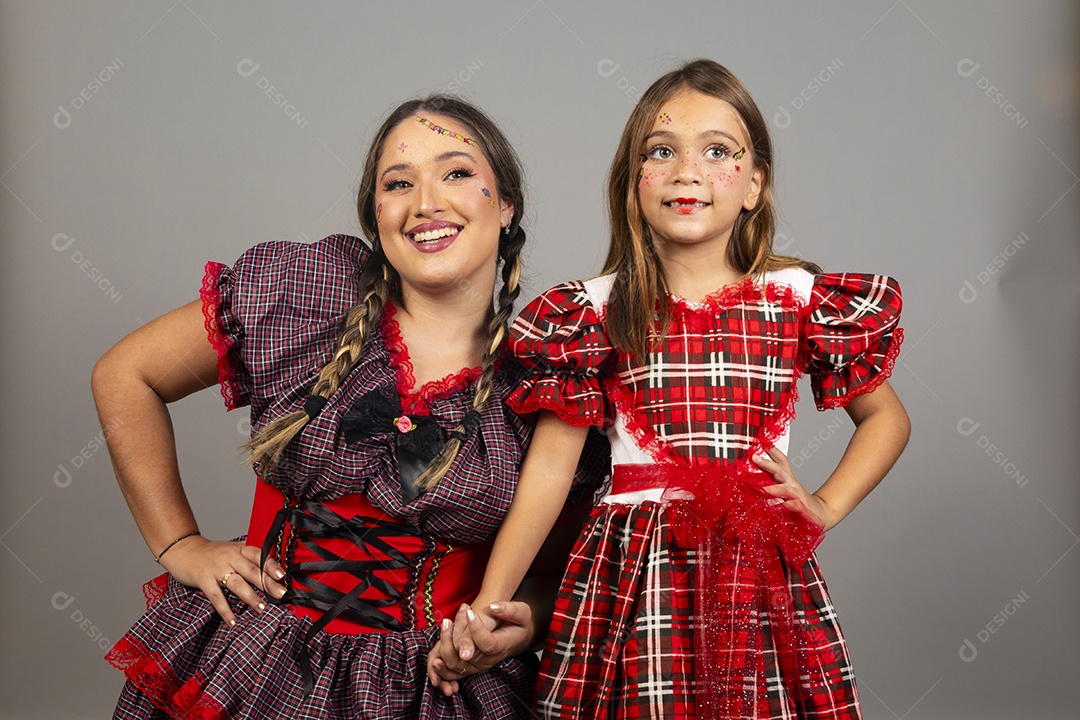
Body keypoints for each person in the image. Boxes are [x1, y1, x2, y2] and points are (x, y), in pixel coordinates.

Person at [93, 94, 604, 719]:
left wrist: (522, 624)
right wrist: (179, 544)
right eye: (399, 183)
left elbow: (560, 575)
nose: (426, 203)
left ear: (504, 205)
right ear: (377, 213)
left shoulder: (544, 383)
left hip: (430, 690)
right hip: (253, 665)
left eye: (457, 172)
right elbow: (125, 374)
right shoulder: (311, 297)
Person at [429, 59, 911, 718]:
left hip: (754, 570)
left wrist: (824, 506)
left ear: (754, 185)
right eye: (662, 152)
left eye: (717, 151)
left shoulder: (797, 298)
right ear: (634, 185)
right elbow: (548, 471)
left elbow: (886, 419)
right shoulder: (594, 313)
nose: (688, 170)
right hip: (634, 574)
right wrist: (487, 605)